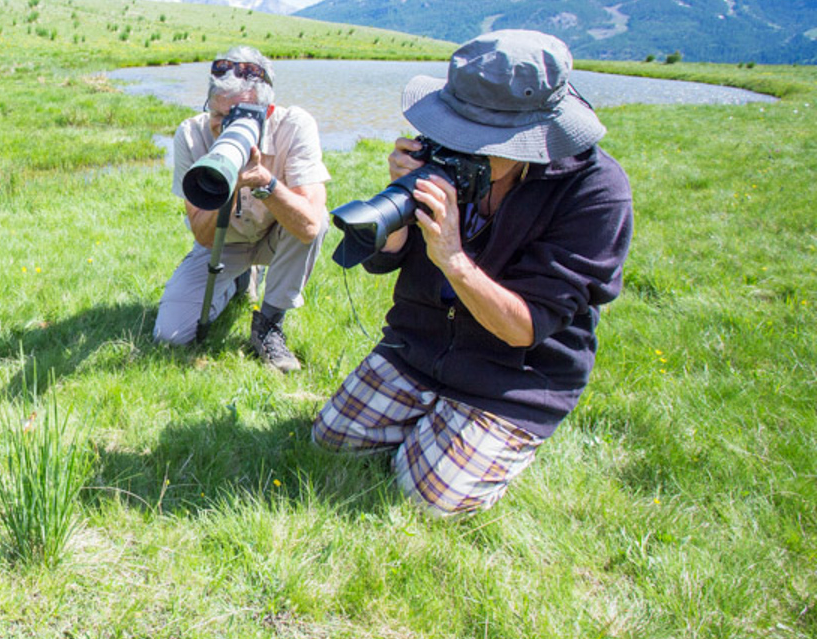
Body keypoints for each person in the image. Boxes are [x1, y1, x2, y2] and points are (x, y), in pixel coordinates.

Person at [312, 30, 633, 516]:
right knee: (329, 442)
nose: (460, 144)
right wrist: (398, 198)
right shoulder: (439, 151)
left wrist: (454, 259)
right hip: (417, 348)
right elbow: (383, 260)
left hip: (514, 377)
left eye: (481, 138)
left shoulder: (596, 192)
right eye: (456, 126)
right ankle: (435, 428)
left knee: (429, 501)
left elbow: (524, 327)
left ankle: (483, 439)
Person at [153, 46, 329, 372]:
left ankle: (270, 324)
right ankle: (237, 281)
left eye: (238, 117)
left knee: (320, 218)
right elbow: (204, 237)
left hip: (279, 236)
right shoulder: (191, 134)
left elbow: (308, 226)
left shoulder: (296, 125)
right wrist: (226, 180)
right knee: (170, 336)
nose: (223, 126)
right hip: (225, 241)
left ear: (268, 111)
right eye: (217, 115)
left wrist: (265, 183)